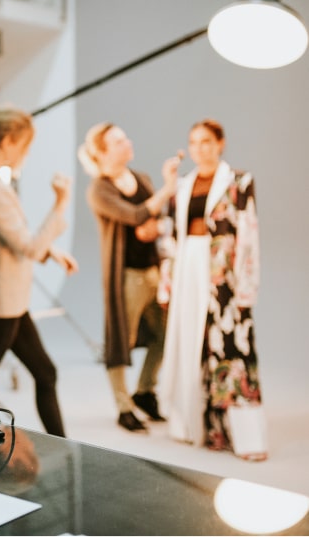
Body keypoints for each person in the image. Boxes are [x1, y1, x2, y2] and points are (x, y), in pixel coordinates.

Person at [0, 105, 77, 437]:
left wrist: (51, 252)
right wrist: (61, 202)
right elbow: (25, 245)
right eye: (26, 145)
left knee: (45, 373)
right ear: (10, 141)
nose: (27, 154)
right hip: (1, 303)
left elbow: (6, 240)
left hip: (8, 301)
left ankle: (63, 446)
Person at [158, 118, 266, 461]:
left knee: (232, 347)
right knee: (193, 343)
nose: (200, 149)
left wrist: (246, 283)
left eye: (206, 141)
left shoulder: (239, 181)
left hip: (223, 273)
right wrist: (168, 280)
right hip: (189, 267)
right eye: (194, 142)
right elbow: (171, 236)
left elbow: (248, 234)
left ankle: (247, 437)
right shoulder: (183, 184)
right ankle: (199, 428)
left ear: (220, 143)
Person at [78, 122, 181, 433]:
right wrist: (167, 188)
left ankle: (145, 392)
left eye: (125, 138)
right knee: (120, 341)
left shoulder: (142, 179)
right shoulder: (100, 189)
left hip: (154, 271)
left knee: (165, 336)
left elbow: (158, 218)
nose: (127, 143)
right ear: (103, 152)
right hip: (126, 276)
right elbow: (135, 216)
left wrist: (156, 226)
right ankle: (124, 406)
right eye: (119, 141)